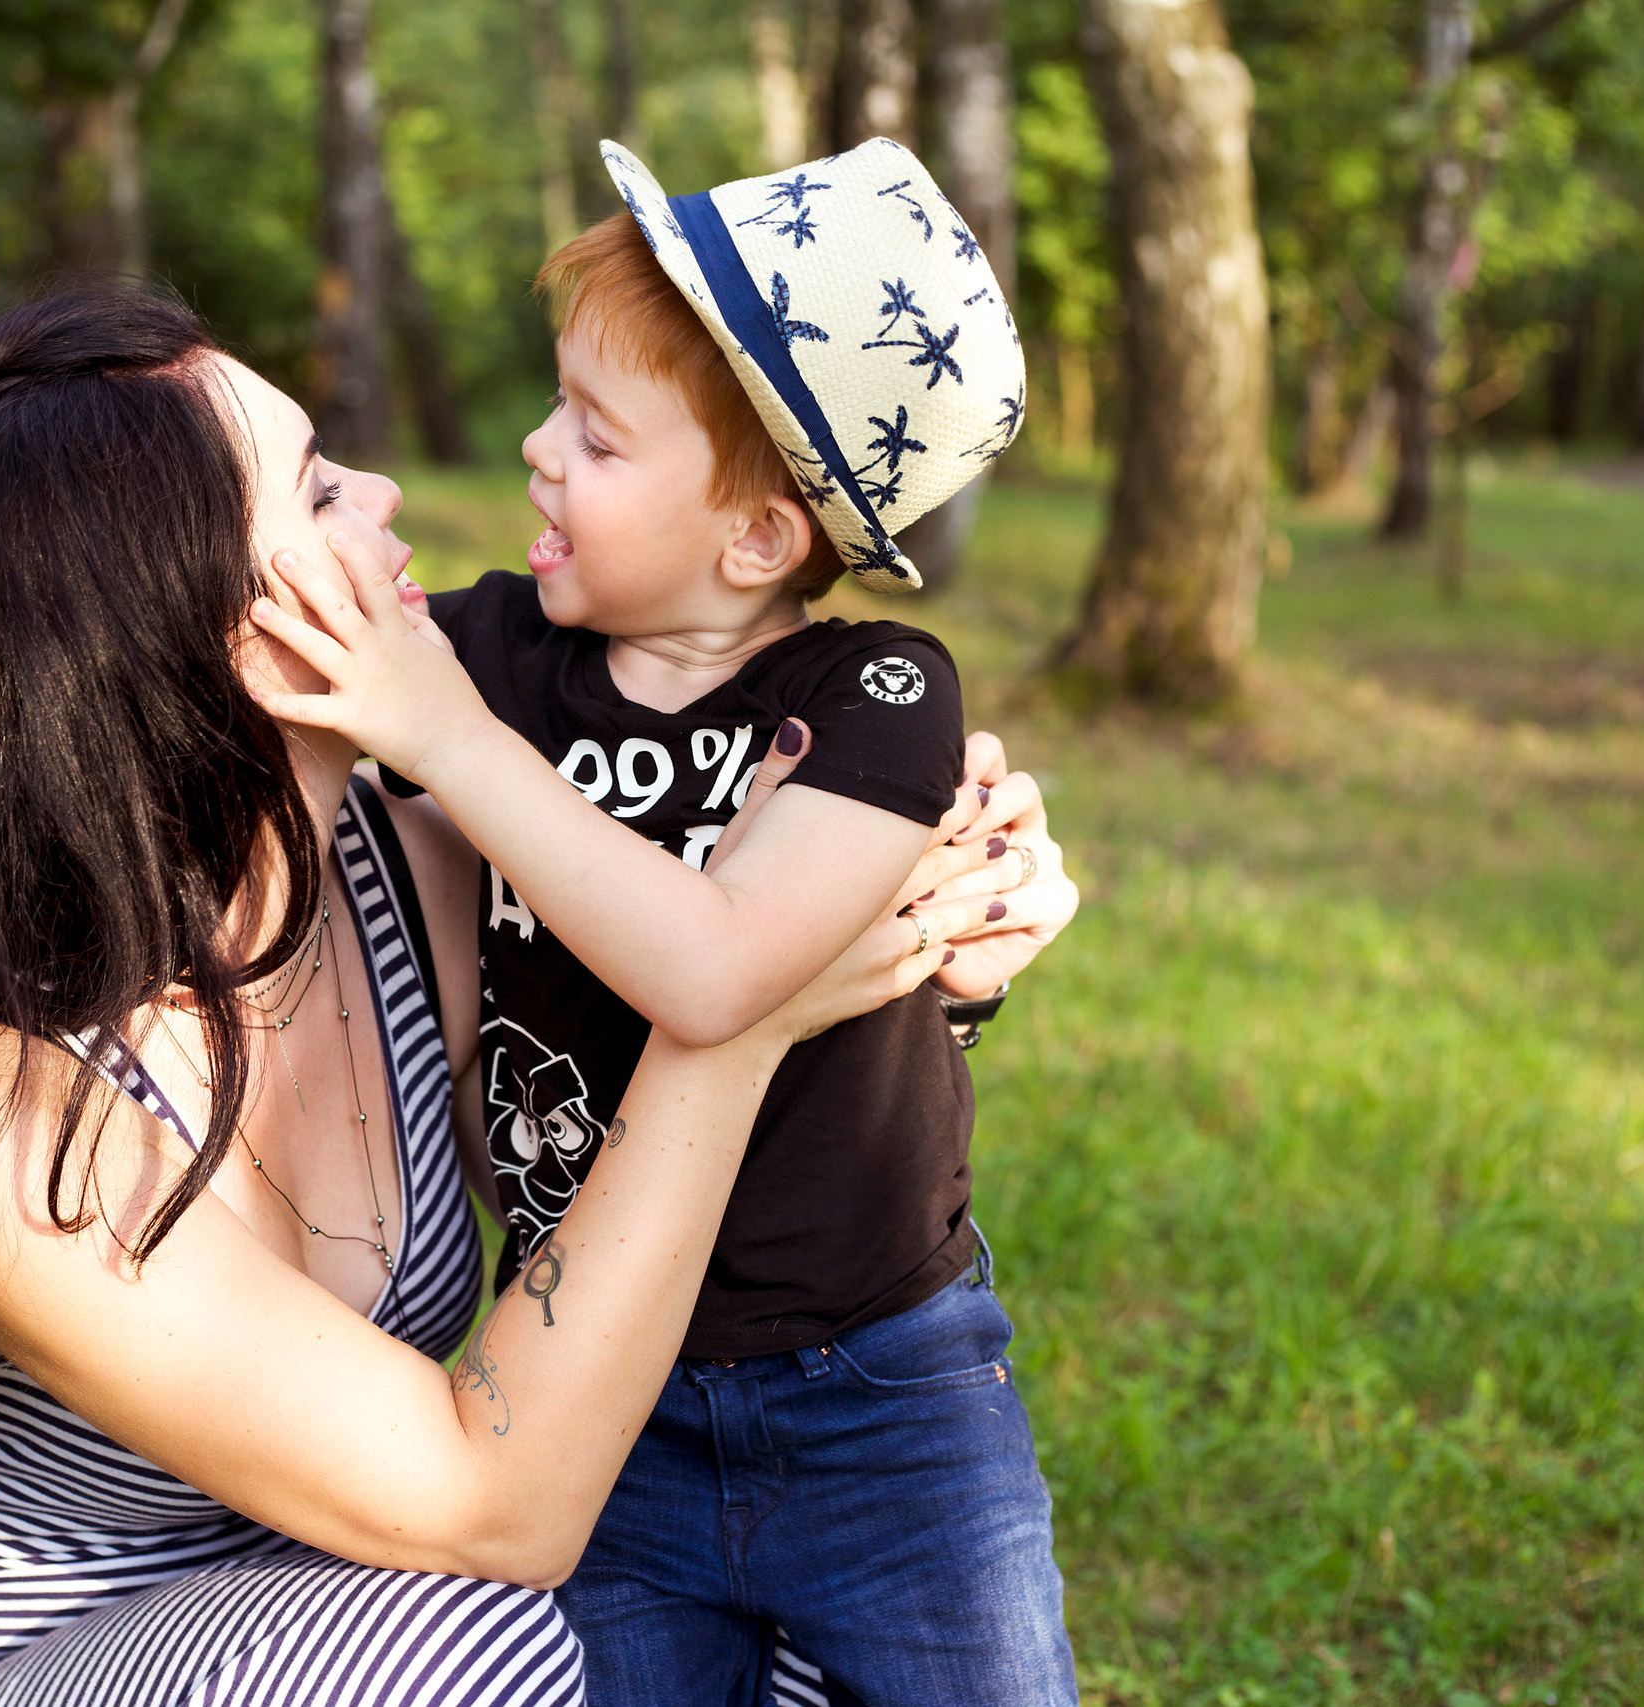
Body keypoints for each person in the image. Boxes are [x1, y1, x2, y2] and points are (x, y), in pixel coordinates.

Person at [0, 285, 1067, 1707]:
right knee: (510, 1648)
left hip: (334, 1583)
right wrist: (740, 1025)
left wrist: (923, 935)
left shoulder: (413, 866)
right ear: (197, 620)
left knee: (803, 1650)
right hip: (26, 1669)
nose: (392, 490)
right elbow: (501, 1511)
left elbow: (663, 999)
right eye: (320, 486)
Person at [219, 137, 1077, 1706]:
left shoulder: (872, 696)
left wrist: (457, 747)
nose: (541, 451)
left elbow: (717, 970)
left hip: (883, 1399)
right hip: (599, 1394)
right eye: (559, 406)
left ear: (755, 538)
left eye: (599, 441)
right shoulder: (497, 651)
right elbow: (229, 644)